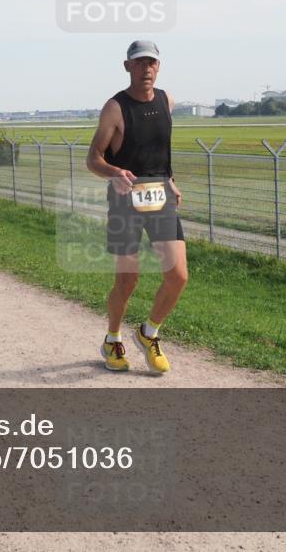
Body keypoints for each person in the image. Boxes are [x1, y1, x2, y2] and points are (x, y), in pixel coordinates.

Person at [86, 40, 188, 374]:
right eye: (140, 63)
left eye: (152, 63)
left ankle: (149, 333)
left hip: (159, 195)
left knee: (178, 276)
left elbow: (161, 148)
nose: (146, 69)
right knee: (127, 281)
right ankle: (112, 339)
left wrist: (169, 178)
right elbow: (93, 158)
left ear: (159, 67)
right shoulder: (115, 108)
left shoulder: (166, 100)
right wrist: (114, 172)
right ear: (127, 66)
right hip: (124, 199)